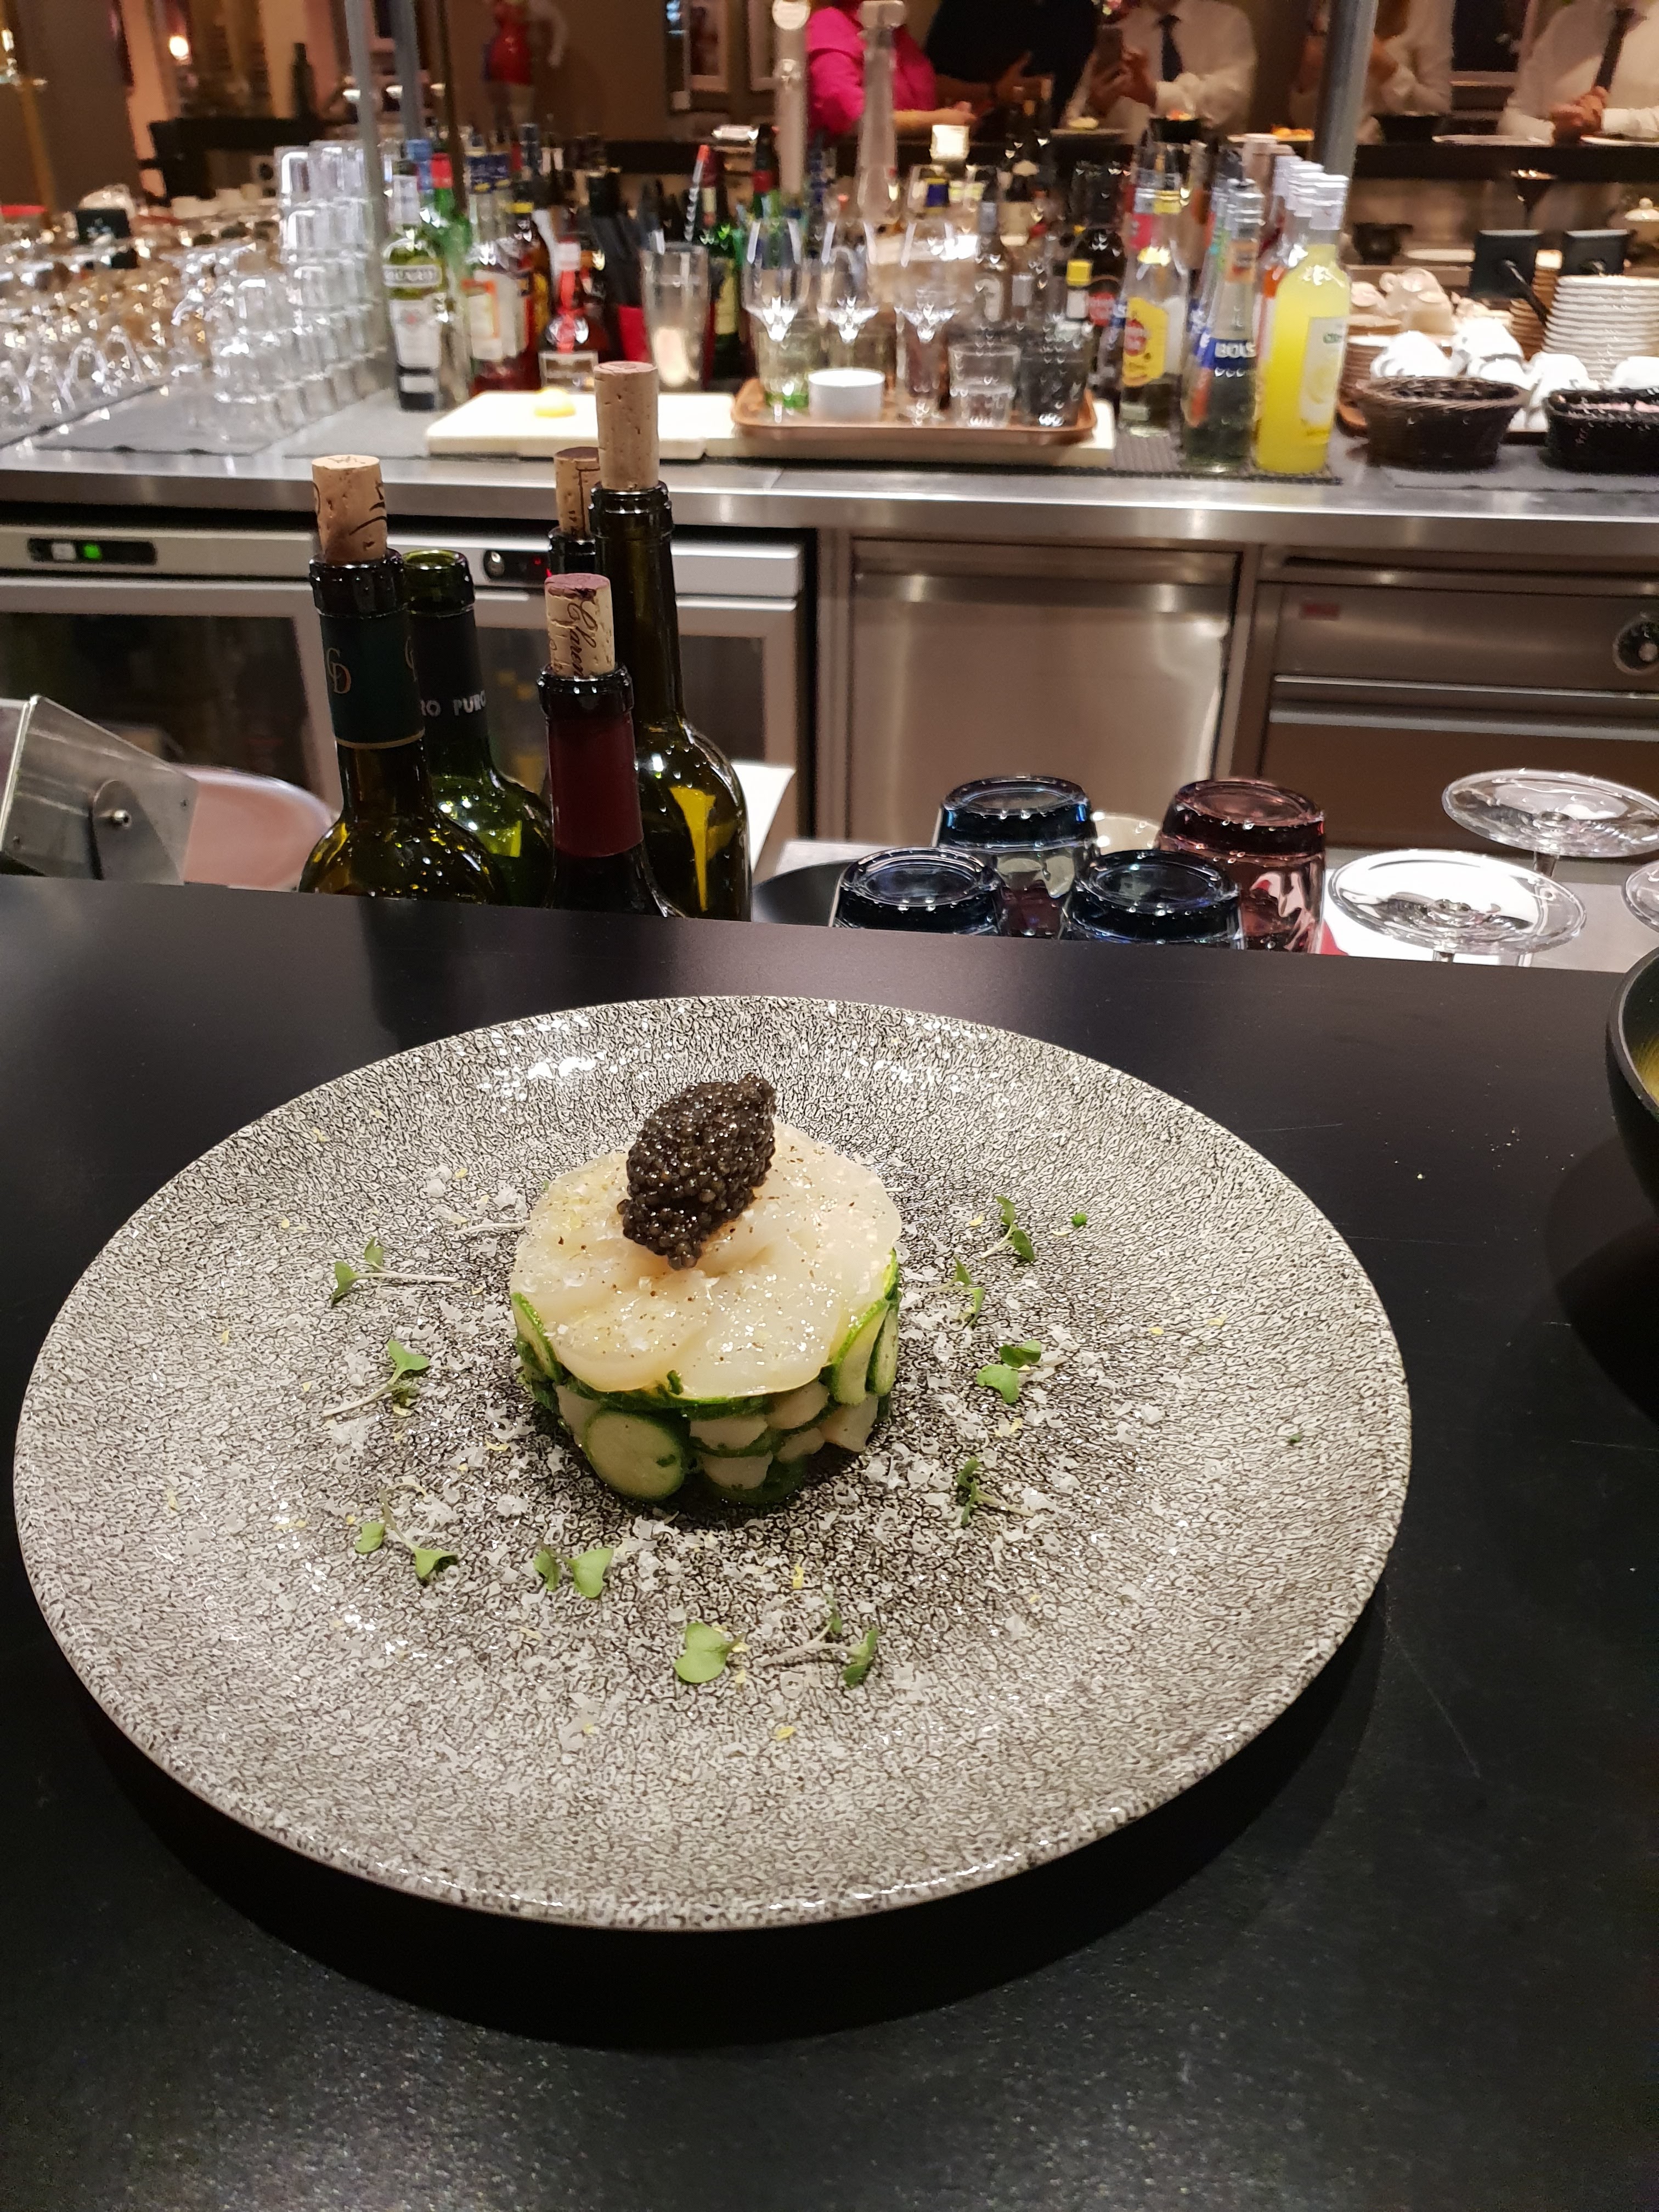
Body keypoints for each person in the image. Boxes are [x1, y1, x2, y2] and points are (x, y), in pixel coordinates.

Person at [1063, 0, 1257, 136]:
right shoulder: (1120, 36)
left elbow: (1230, 103)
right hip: (1128, 173)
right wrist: (1095, 108)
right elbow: (1067, 131)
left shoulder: (1228, 23)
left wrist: (1154, 94)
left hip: (1208, 172)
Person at [806, 0, 977, 136]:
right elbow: (851, 118)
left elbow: (919, 104)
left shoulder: (898, 35)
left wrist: (955, 115)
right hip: (850, 166)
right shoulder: (829, 24)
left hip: (911, 162)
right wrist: (936, 121)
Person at [1289, 0, 1454, 139]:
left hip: (1389, 161)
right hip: (1328, 161)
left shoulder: (1427, 6)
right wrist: (1307, 80)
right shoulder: (1328, 7)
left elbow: (1439, 112)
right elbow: (1305, 124)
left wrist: (1388, 70)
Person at [1500, 0, 1659, 139]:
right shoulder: (1567, 22)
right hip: (1556, 163)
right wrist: (1556, 133)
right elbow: (1513, 119)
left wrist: (1604, 121)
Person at [923, 0, 1101, 117]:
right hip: (977, 143)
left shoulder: (1078, 10)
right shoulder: (966, 7)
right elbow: (930, 86)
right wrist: (994, 92)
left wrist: (1094, 105)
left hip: (1055, 145)